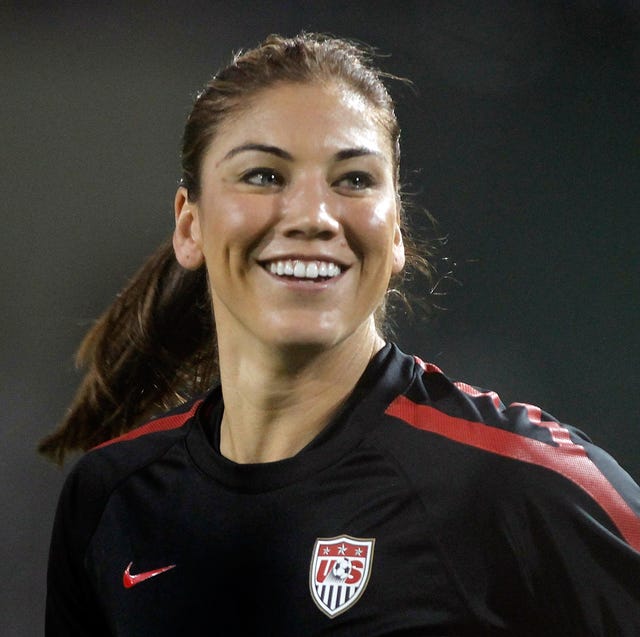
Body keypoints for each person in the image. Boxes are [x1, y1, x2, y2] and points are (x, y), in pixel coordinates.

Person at [42, 33, 640, 636]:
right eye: (263, 175)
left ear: (396, 230)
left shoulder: (511, 480)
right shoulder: (110, 501)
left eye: (353, 180)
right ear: (190, 226)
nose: (314, 217)